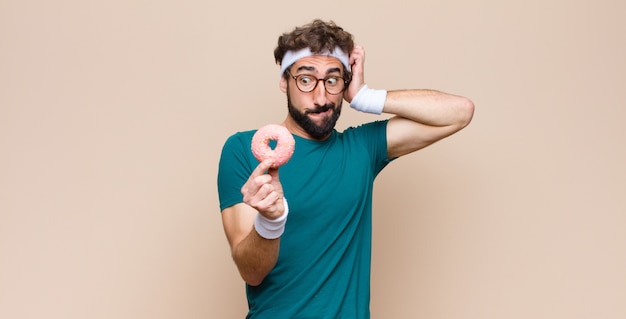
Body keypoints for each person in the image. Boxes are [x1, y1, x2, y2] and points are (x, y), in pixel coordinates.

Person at [217, 19, 474, 318]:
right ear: (284, 82)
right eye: (305, 79)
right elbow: (252, 272)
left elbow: (459, 112)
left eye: (332, 79)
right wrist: (271, 221)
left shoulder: (362, 149)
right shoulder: (245, 151)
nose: (320, 97)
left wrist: (366, 97)